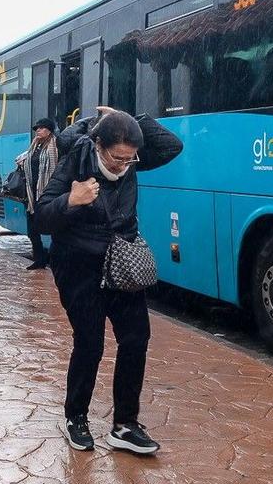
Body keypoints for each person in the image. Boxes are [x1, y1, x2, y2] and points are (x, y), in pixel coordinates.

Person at [32, 106, 183, 455]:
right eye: (117, 158)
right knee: (90, 343)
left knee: (136, 338)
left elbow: (172, 146)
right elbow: (41, 217)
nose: (123, 166)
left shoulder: (129, 159)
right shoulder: (75, 159)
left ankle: (125, 425)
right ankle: (76, 417)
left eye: (130, 160)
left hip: (120, 263)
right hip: (79, 266)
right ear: (99, 145)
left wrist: (131, 117)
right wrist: (72, 199)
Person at [19, 118, 60, 270]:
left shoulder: (55, 145)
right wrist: (23, 161)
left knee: (55, 228)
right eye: (37, 128)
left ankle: (56, 258)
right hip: (32, 193)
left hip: (48, 192)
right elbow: (28, 159)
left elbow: (56, 166)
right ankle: (40, 258)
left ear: (49, 130)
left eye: (41, 128)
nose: (38, 130)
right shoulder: (35, 145)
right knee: (32, 230)